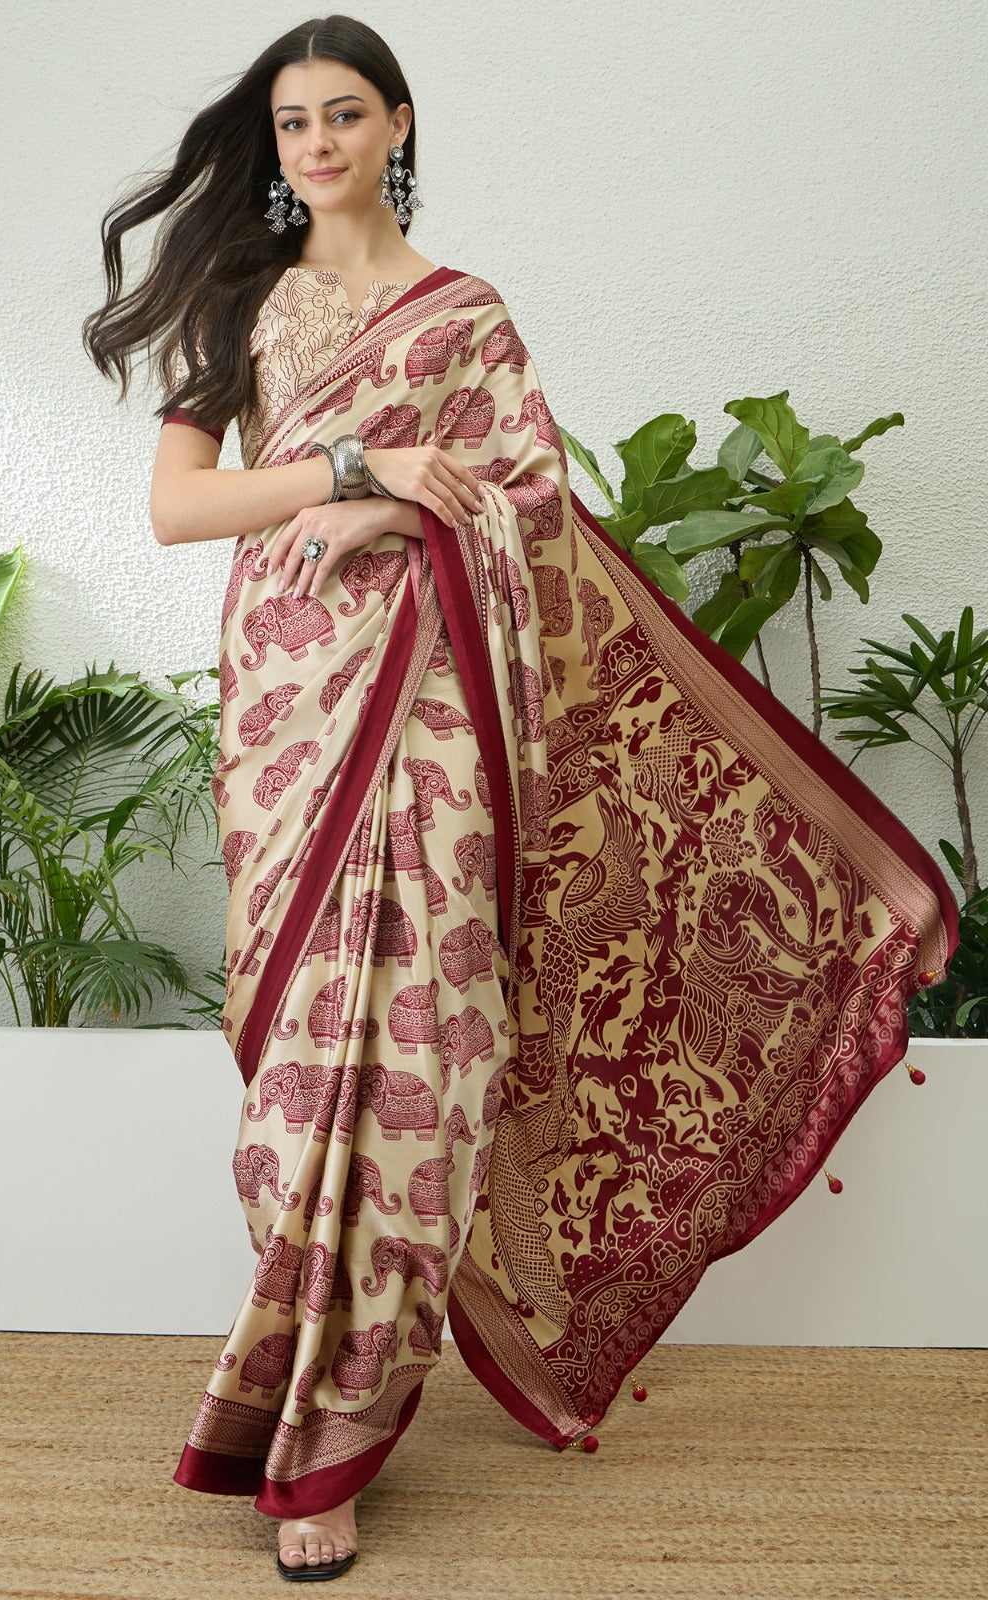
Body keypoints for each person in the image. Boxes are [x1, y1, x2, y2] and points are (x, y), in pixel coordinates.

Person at [83, 15, 960, 1584]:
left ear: (398, 126)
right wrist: (360, 472)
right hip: (297, 720)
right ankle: (297, 1383)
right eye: (292, 123)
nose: (316, 144)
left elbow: (538, 518)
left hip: (437, 724)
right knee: (300, 1092)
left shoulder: (469, 317)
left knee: (432, 1056)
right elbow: (176, 508)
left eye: (344, 115)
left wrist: (435, 503)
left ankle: (337, 1446)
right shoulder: (239, 302)